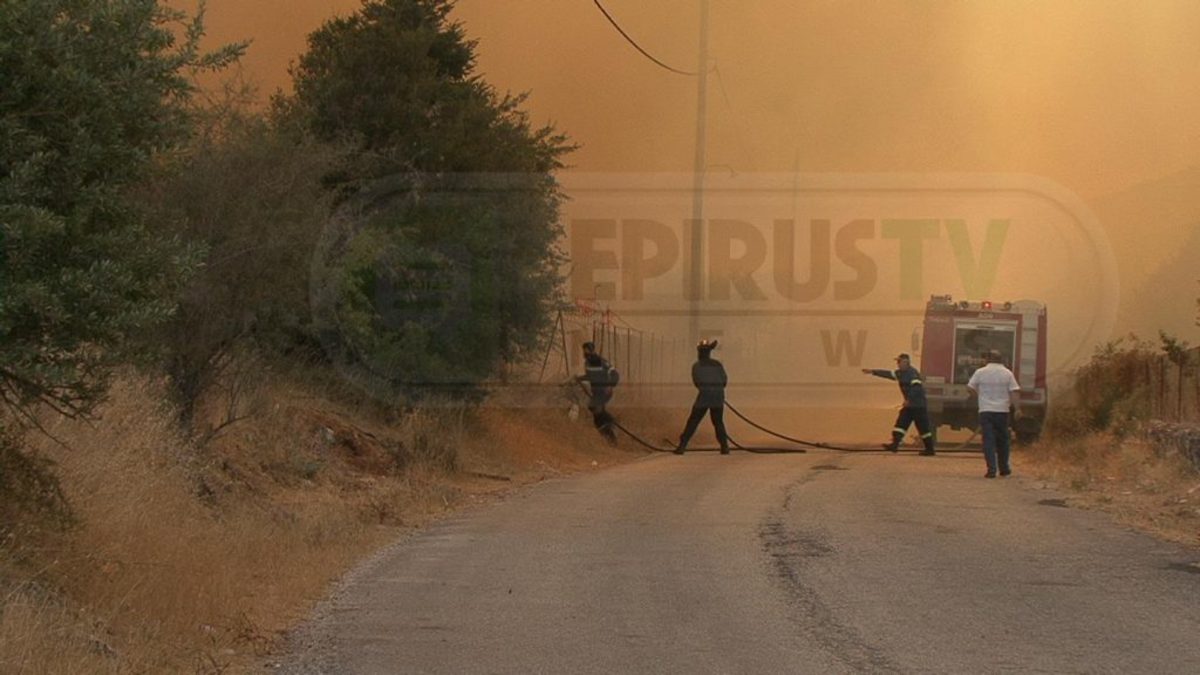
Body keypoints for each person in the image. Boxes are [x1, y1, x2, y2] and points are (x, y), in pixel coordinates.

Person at [862, 353, 935, 455]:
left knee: (923, 428)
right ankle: (894, 445)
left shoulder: (912, 373)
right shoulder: (900, 373)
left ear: (906, 362)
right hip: (909, 406)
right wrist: (873, 372)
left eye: (899, 362)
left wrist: (909, 399)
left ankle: (930, 449)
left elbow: (916, 388)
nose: (897, 364)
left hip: (918, 406)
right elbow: (888, 374)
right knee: (901, 424)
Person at [967, 349, 1021, 478]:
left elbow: (969, 388)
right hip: (1002, 411)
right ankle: (1004, 468)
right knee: (1003, 440)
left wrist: (979, 397)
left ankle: (991, 469)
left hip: (986, 411)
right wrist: (1018, 408)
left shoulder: (980, 372)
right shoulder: (1007, 373)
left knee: (988, 440)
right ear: (1001, 359)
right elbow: (1014, 391)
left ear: (987, 359)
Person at [674, 339, 730, 455]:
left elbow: (697, 382)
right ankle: (724, 447)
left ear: (699, 353)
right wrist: (717, 390)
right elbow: (724, 381)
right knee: (718, 422)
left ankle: (682, 446)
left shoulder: (697, 366)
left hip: (704, 396)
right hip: (717, 396)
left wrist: (707, 390)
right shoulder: (717, 364)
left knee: (693, 421)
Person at [577, 342, 618, 445]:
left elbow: (614, 374)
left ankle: (611, 422)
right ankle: (608, 433)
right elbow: (590, 376)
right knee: (595, 413)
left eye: (587, 350)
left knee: (596, 409)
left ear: (592, 350)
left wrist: (610, 385)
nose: (585, 353)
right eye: (584, 351)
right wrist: (579, 378)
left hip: (604, 391)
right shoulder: (588, 363)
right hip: (596, 392)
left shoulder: (600, 361)